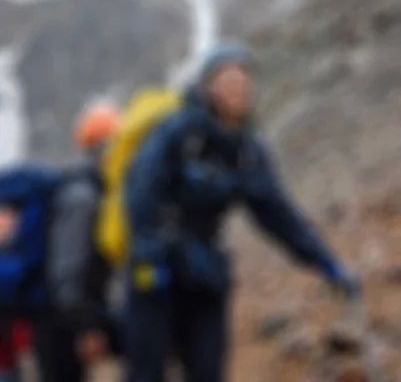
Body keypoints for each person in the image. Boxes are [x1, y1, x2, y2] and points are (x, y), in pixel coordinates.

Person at [124, 41, 361, 382]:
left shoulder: (248, 151)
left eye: (243, 81)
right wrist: (148, 258)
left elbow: (279, 216)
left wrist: (327, 264)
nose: (238, 89)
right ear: (209, 87)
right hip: (156, 272)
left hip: (205, 270)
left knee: (208, 371)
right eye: (228, 80)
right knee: (146, 372)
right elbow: (141, 192)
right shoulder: (177, 132)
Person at [0, 102, 122, 382]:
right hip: (58, 317)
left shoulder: (86, 192)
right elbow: (68, 269)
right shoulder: (83, 198)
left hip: (56, 313)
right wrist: (85, 327)